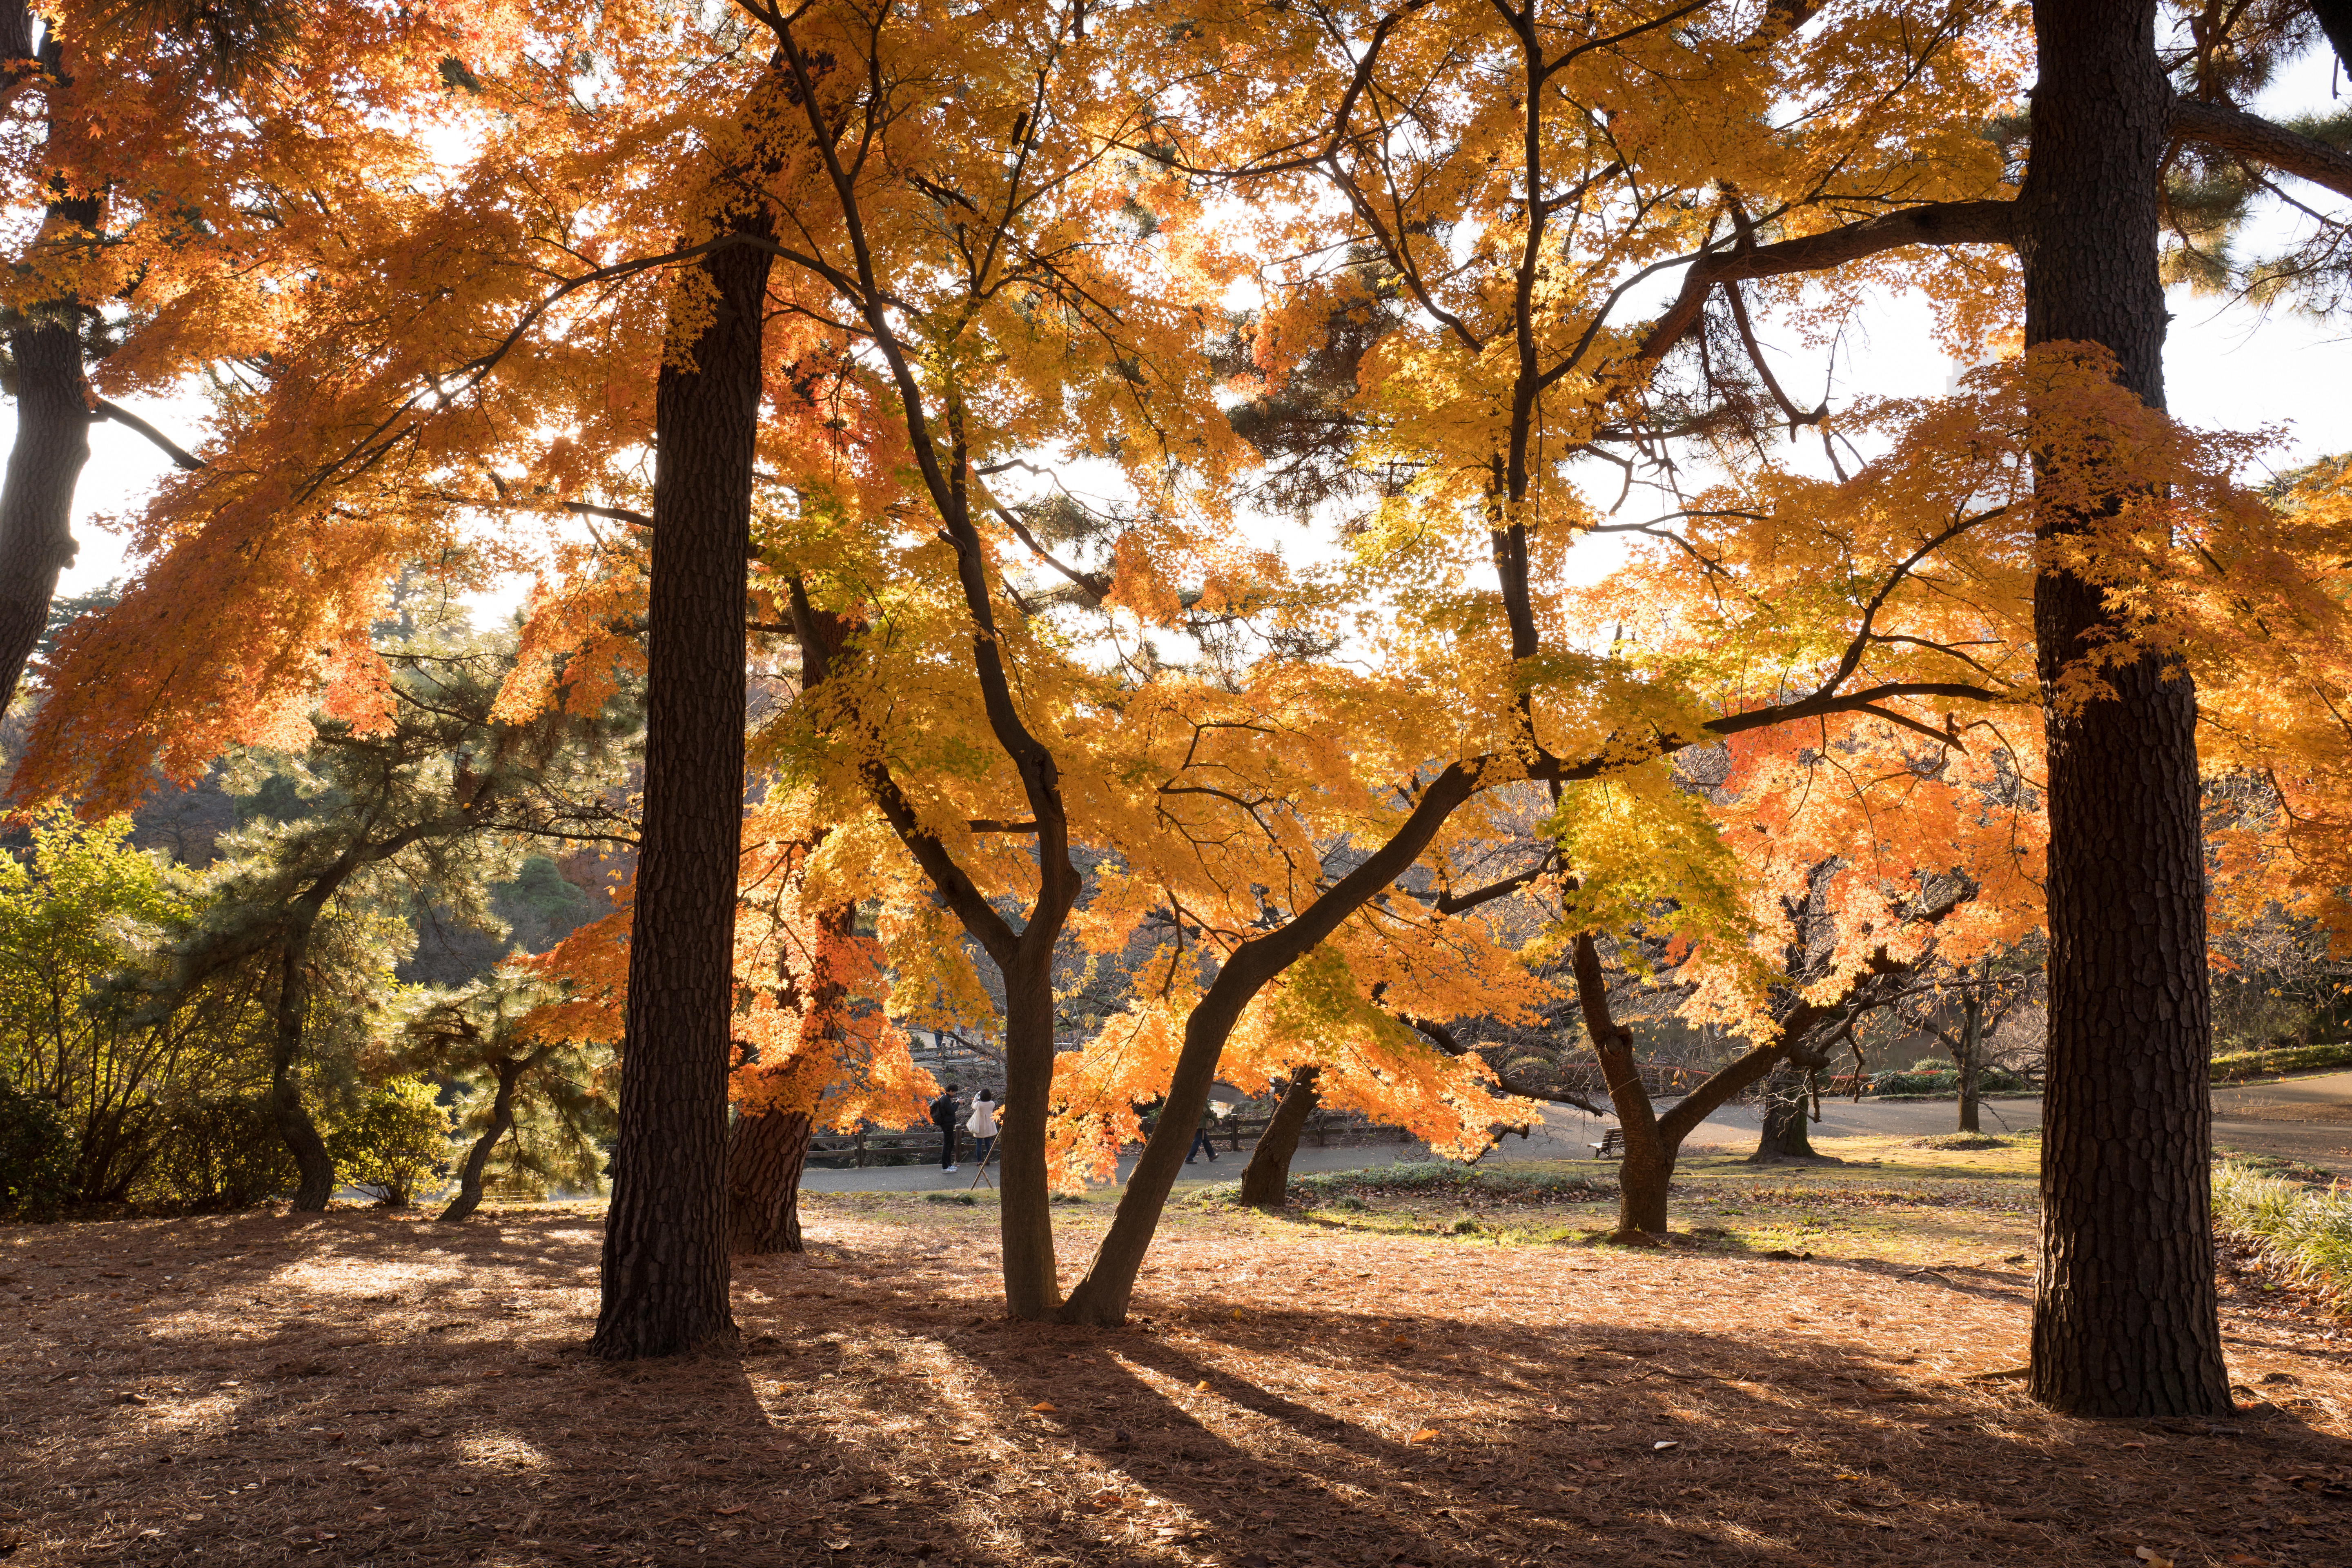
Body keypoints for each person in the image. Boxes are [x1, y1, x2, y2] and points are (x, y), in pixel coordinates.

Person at [930, 1083, 962, 1172]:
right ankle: (945, 1167)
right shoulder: (945, 1098)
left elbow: (949, 1108)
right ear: (951, 1091)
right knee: (947, 1145)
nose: (955, 1094)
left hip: (947, 1123)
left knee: (951, 1143)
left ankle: (949, 1164)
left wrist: (955, 1103)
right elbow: (952, 1111)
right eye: (954, 1092)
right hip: (946, 1124)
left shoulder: (944, 1097)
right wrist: (958, 1104)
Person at [967, 1090, 999, 1170]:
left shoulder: (979, 1105)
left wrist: (976, 1097)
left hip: (979, 1126)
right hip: (988, 1126)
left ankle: (979, 1161)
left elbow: (973, 1105)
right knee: (988, 1144)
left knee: (979, 1144)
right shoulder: (992, 1104)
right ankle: (988, 1160)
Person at [1185, 1100, 1219, 1164]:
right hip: (1201, 1124)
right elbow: (1208, 1112)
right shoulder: (1202, 1100)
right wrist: (1217, 1120)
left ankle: (1212, 1155)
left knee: (1205, 1140)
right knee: (1197, 1141)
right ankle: (1189, 1158)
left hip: (1197, 1123)